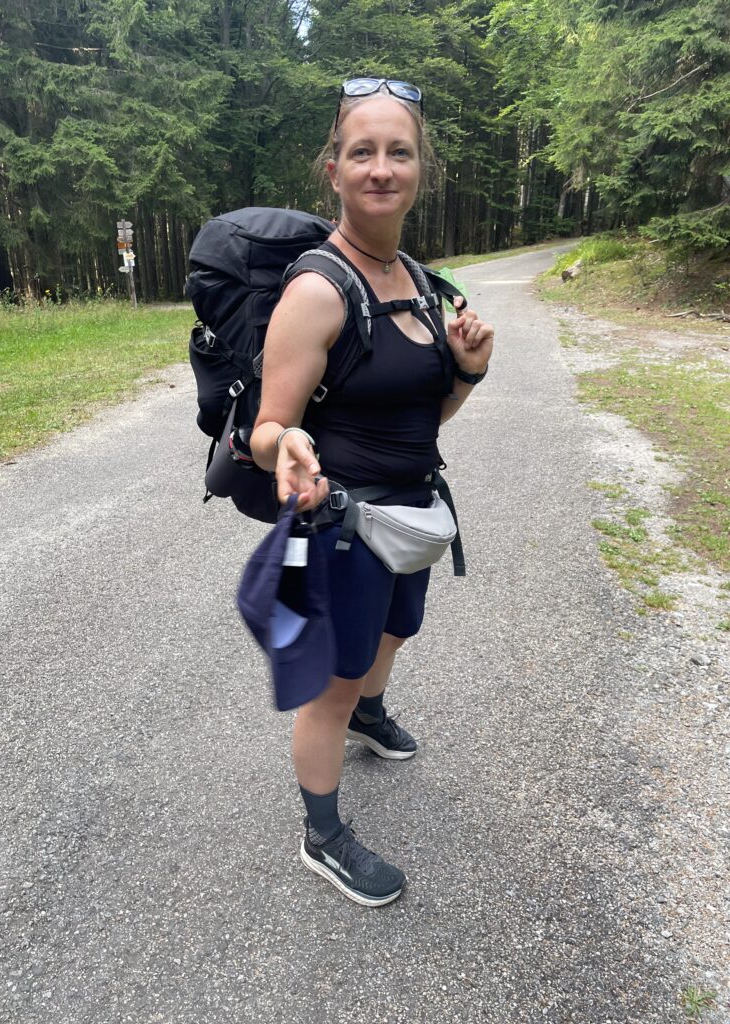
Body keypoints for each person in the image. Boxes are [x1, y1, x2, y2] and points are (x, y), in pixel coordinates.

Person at [250, 77, 494, 907]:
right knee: (331, 684)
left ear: (422, 168)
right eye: (363, 152)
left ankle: (370, 713)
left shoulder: (420, 281)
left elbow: (426, 415)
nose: (381, 168)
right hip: (342, 525)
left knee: (396, 630)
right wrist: (286, 445)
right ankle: (322, 836)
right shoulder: (318, 290)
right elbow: (268, 426)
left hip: (409, 511)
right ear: (334, 169)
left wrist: (468, 371)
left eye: (399, 152)